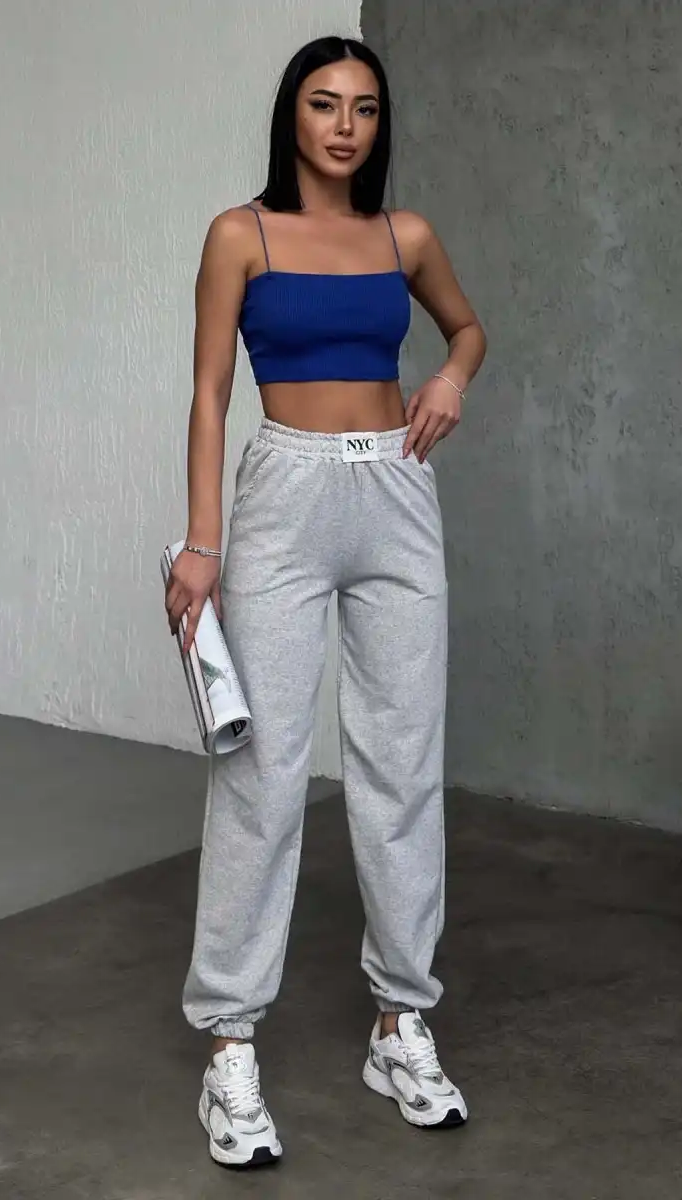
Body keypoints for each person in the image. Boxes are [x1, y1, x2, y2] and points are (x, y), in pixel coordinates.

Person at [165, 35, 487, 1169]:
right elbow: (210, 393)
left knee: (401, 763)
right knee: (263, 771)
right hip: (284, 498)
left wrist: (450, 376)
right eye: (323, 103)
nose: (344, 125)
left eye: (363, 107)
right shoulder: (240, 235)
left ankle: (401, 1023)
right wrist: (202, 542)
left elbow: (468, 329)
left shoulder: (405, 237)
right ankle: (229, 1043)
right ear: (291, 117)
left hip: (395, 492)